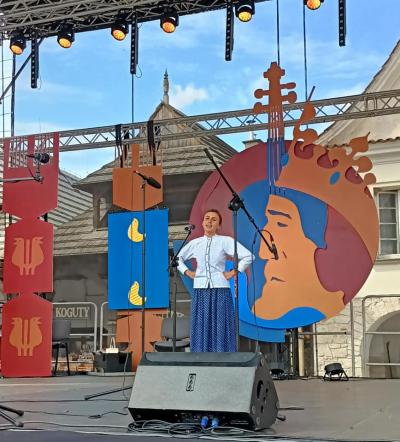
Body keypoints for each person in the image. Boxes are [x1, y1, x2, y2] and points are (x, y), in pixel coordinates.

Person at [254, 194, 345, 320]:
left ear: (316, 241)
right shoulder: (262, 305)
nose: (263, 253)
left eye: (280, 223)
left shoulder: (327, 304)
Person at [178, 209, 254, 352]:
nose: (209, 221)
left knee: (220, 324)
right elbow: (177, 259)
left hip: (220, 289)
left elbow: (249, 256)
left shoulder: (225, 241)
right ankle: (201, 358)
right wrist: (187, 272)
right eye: (207, 218)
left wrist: (234, 272)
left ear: (219, 225)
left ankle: (222, 357)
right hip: (201, 290)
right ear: (202, 223)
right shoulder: (195, 243)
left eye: (214, 219)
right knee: (201, 326)